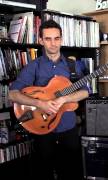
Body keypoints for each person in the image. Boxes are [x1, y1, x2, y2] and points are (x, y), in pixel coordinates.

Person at [9, 20, 88, 180]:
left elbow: (85, 92)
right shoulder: (34, 66)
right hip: (43, 130)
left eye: (56, 38)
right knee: (42, 173)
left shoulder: (73, 66)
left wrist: (65, 98)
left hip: (68, 129)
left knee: (72, 173)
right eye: (48, 39)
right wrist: (40, 103)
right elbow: (13, 94)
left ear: (62, 39)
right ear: (41, 40)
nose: (53, 43)